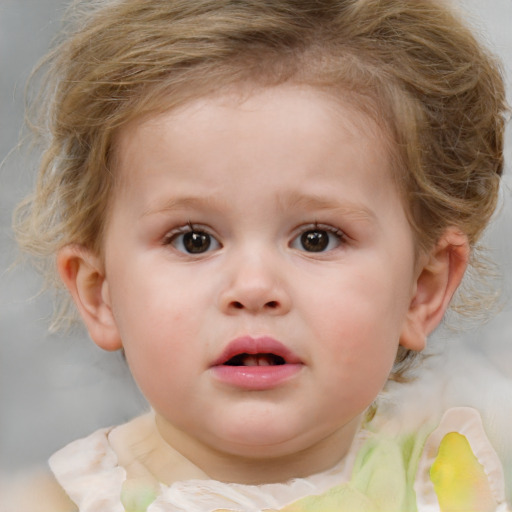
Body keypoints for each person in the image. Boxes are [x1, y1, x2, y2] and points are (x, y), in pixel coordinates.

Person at [9, 0, 510, 510]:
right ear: (101, 294)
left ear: (421, 289)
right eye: (194, 240)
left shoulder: (448, 487)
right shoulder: (59, 503)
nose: (253, 288)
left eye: (317, 238)